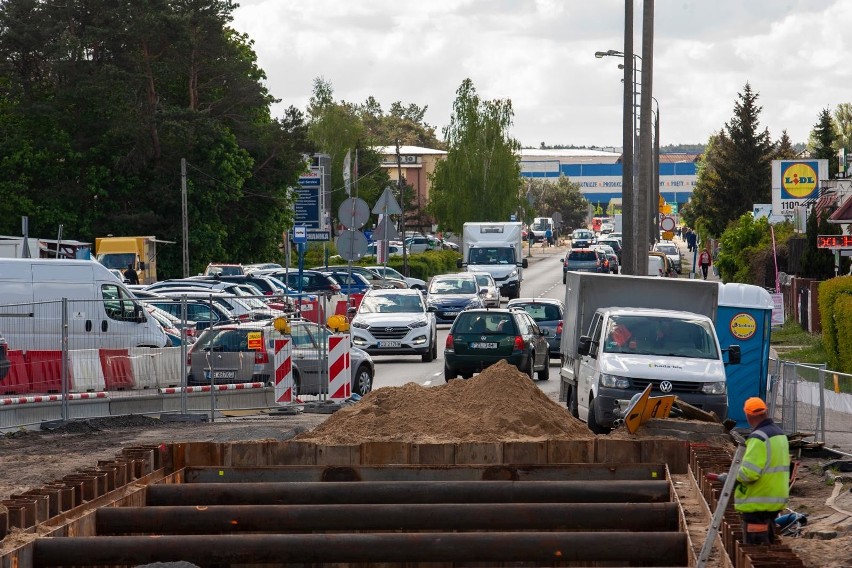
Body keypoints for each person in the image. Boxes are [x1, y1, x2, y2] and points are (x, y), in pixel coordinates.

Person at [733, 397, 791, 545]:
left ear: (748, 415)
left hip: (758, 501)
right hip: (775, 498)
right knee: (768, 540)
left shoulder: (758, 438)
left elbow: (749, 473)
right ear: (765, 412)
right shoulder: (780, 435)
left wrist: (732, 477)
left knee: (756, 549)